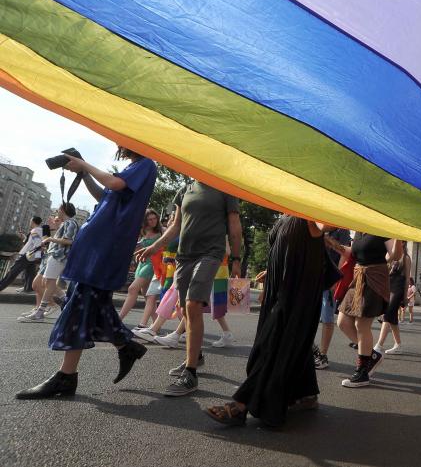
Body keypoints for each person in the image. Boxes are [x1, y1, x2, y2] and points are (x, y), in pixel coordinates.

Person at [16, 147, 157, 399]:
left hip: (105, 247)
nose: (118, 143)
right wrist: (84, 172)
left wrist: (84, 163)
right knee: (95, 304)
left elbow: (114, 183)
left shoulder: (145, 164)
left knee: (78, 304)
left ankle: (66, 377)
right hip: (97, 246)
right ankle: (126, 347)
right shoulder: (133, 168)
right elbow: (106, 194)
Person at [205, 216, 339, 427]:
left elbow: (326, 223)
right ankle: (306, 394)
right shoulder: (289, 213)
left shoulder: (306, 209)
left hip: (295, 290)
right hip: (285, 283)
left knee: (275, 342)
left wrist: (322, 216)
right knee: (291, 341)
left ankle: (240, 405)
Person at [136, 179, 242, 397]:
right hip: (184, 256)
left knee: (193, 304)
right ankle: (196, 356)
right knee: (185, 310)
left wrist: (237, 258)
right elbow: (176, 225)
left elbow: (234, 224)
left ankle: (191, 373)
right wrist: (155, 246)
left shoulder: (225, 188)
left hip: (211, 253)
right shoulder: (185, 190)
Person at [335, 233, 402, 388]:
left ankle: (362, 372)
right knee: (342, 322)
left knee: (361, 325)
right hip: (358, 276)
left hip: (374, 277)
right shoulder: (359, 229)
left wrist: (398, 234)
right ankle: (371, 355)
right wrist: (330, 243)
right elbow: (353, 252)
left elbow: (395, 255)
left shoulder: (382, 226)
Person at [18, 204, 79, 322]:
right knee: (46, 282)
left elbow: (69, 241)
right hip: (55, 256)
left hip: (59, 256)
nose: (57, 211)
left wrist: (50, 239)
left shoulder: (70, 223)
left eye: (58, 209)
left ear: (63, 210)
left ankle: (40, 312)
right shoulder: (67, 223)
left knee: (48, 283)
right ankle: (69, 304)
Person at [313, 228, 351, 370]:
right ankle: (312, 350)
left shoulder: (341, 229)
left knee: (327, 318)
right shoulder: (317, 224)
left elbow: (344, 253)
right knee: (306, 316)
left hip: (329, 278)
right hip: (313, 276)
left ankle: (323, 355)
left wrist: (336, 277)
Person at [119, 209, 164, 322]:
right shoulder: (143, 231)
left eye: (155, 218)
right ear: (145, 221)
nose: (153, 221)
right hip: (141, 264)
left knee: (132, 289)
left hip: (152, 265)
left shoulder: (162, 231)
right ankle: (155, 325)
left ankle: (119, 319)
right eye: (150, 219)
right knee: (148, 296)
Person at [375, 241, 411, 354]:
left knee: (387, 315)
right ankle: (398, 345)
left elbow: (406, 279)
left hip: (398, 289)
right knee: (393, 319)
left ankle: (379, 345)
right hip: (389, 287)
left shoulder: (406, 258)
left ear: (404, 244)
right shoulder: (389, 254)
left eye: (401, 242)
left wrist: (405, 297)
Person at [0, 216, 43, 293]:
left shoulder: (35, 230)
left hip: (27, 255)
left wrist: (37, 256)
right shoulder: (39, 230)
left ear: (32, 221)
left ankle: (1, 286)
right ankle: (28, 288)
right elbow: (32, 242)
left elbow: (37, 244)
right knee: (30, 274)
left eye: (30, 220)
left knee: (13, 272)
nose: (30, 222)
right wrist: (24, 237)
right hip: (32, 256)